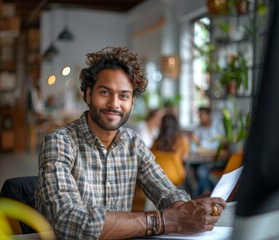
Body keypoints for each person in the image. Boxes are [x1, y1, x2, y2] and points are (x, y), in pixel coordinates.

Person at [34, 46, 226, 240]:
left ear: (132, 103)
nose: (114, 104)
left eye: (124, 96)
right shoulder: (59, 141)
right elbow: (68, 221)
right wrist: (166, 220)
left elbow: (167, 192)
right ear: (88, 95)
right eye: (105, 92)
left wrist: (186, 208)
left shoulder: (132, 143)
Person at [193, 106, 225, 195]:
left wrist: (202, 143)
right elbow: (194, 141)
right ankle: (209, 193)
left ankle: (207, 194)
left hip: (217, 159)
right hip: (202, 159)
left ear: (208, 115)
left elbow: (220, 142)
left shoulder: (217, 125)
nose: (200, 118)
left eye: (202, 115)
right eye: (199, 115)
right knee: (194, 171)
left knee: (201, 172)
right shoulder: (199, 127)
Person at [151, 113, 189, 187]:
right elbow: (185, 157)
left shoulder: (155, 142)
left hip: (158, 176)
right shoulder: (182, 140)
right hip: (176, 176)